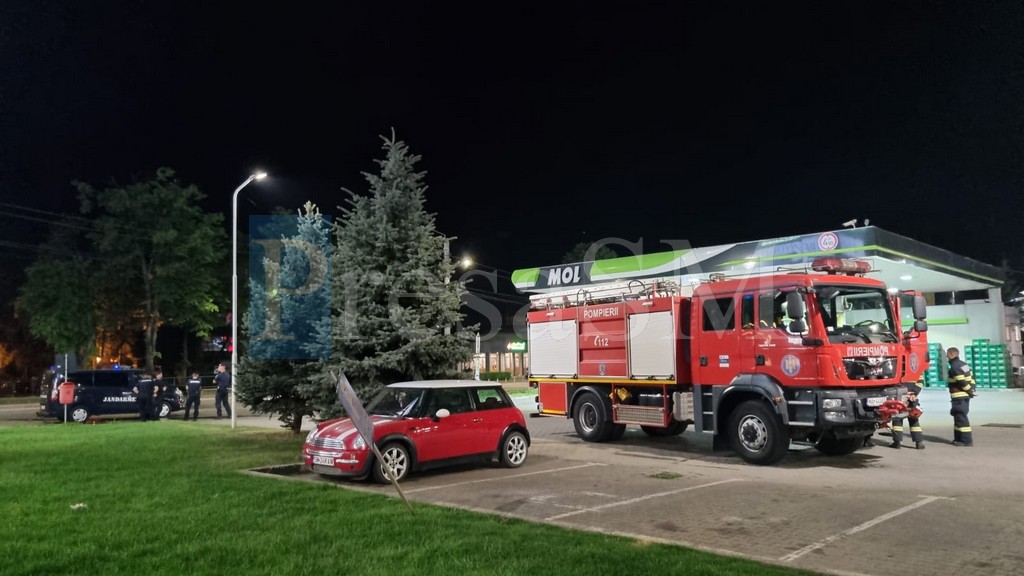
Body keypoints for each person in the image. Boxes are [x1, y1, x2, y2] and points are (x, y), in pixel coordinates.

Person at [946, 347, 975, 446]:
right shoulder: (964, 364)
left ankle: (966, 441)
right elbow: (971, 378)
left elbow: (961, 381)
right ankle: (958, 438)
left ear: (951, 354)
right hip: (965, 396)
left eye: (947, 354)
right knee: (958, 417)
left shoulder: (954, 366)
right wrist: (972, 389)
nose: (946, 356)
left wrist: (969, 391)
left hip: (959, 396)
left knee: (961, 418)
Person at [889, 377, 925, 450]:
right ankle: (919, 442)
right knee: (914, 421)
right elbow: (921, 381)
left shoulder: (897, 367)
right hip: (912, 398)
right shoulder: (915, 368)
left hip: (899, 396)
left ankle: (897, 442)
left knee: (897, 419)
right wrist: (914, 393)